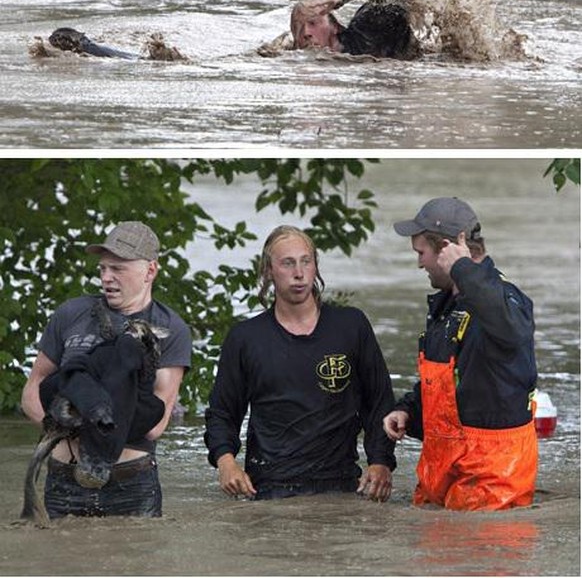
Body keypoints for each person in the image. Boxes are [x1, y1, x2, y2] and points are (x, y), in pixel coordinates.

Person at [205, 224, 396, 502]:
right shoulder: (246, 338)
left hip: (341, 483)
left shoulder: (351, 326)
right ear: (269, 271)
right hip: (270, 486)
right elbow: (222, 413)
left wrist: (380, 461)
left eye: (306, 262)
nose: (298, 273)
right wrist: (226, 463)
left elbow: (379, 401)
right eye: (287, 263)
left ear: (316, 267)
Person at [21, 220, 191, 519]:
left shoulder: (170, 329)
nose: (107, 277)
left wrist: (99, 435)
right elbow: (33, 389)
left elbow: (155, 425)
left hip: (132, 484)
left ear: (150, 271)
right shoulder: (71, 313)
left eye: (118, 269)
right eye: (103, 269)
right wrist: (64, 427)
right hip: (63, 479)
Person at [383, 196, 538, 510]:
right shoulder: (446, 304)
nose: (419, 263)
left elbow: (513, 331)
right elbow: (450, 385)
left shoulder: (506, 299)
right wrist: (409, 411)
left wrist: (463, 269)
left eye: (421, 253)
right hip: (445, 471)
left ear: (445, 248)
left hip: (492, 479)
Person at [290, 0, 417, 57]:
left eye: (313, 23)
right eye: (299, 28)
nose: (306, 33)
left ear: (335, 27)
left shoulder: (366, 28)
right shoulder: (289, 52)